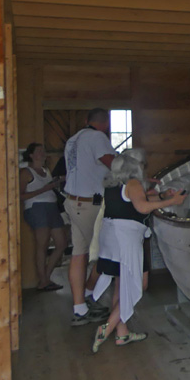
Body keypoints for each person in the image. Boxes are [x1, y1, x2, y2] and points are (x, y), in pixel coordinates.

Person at [91, 149, 186, 352]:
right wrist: (171, 201)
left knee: (120, 284)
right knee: (138, 284)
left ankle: (122, 333)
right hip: (126, 239)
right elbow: (142, 207)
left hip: (110, 237)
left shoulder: (113, 183)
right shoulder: (133, 183)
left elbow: (134, 200)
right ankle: (106, 328)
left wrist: (160, 195)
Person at [63, 108, 117, 326]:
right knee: (104, 253)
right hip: (90, 204)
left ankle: (80, 305)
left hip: (73, 200)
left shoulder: (73, 139)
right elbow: (113, 165)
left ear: (87, 120)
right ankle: (88, 294)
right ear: (105, 124)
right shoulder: (98, 138)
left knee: (79, 254)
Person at [19, 143, 69, 291]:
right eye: (39, 151)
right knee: (43, 244)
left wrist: (56, 182)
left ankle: (45, 278)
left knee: (62, 243)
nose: (43, 153)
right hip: (36, 208)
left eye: (43, 150)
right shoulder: (26, 172)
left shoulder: (46, 171)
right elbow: (21, 195)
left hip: (51, 207)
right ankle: (43, 280)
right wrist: (45, 189)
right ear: (31, 155)